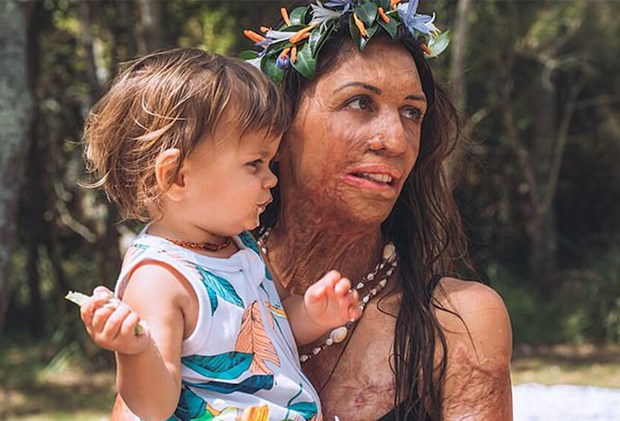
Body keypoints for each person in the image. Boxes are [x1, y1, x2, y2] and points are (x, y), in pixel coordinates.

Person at [244, 1, 513, 420]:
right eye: (360, 103)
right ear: (277, 129)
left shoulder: (458, 322)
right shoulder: (196, 288)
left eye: (412, 113)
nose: (396, 141)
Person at [78, 48, 362, 421]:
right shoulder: (159, 279)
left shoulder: (239, 248)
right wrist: (133, 350)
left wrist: (310, 314)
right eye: (254, 164)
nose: (271, 179)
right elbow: (153, 405)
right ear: (177, 177)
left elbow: (266, 333)